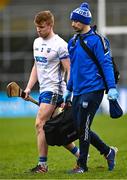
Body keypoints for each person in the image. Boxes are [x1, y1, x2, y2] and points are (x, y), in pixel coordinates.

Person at [63, 2, 118, 174]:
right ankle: (108, 151)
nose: (73, 24)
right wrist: (69, 89)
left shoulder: (98, 40)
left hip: (93, 90)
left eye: (77, 21)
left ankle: (82, 166)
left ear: (85, 21)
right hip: (78, 91)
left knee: (84, 126)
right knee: (80, 127)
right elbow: (73, 68)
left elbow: (106, 64)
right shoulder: (72, 42)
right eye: (72, 21)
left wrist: (112, 88)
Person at [24, 10, 80, 173]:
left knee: (40, 124)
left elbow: (69, 70)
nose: (38, 30)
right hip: (43, 91)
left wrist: (68, 94)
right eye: (36, 28)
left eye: (41, 27)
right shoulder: (36, 42)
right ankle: (84, 154)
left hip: (55, 91)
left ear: (50, 25)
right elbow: (36, 66)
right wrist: (28, 87)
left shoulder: (60, 45)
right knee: (56, 130)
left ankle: (42, 166)